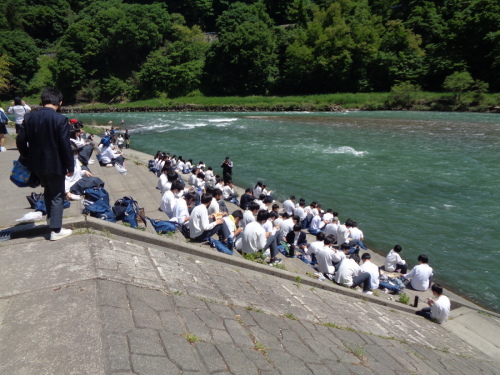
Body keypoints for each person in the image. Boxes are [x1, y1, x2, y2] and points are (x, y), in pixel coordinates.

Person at [16, 88, 73, 241]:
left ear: (43, 101)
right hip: (55, 164)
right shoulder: (60, 119)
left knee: (48, 190)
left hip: (35, 164)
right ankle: (56, 230)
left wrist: (25, 155)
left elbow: (20, 140)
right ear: (59, 103)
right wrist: (70, 166)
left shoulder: (29, 118)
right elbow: (65, 145)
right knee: (57, 195)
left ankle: (50, 219)